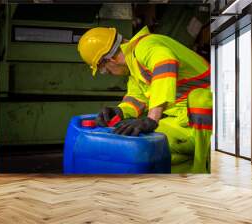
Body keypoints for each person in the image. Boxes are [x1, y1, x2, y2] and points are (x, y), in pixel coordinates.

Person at [77, 26, 212, 173]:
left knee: (200, 98)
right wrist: (118, 111)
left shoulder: (145, 46)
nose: (108, 73)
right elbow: (136, 99)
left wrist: (152, 118)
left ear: (110, 60)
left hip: (213, 118)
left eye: (104, 70)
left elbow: (166, 63)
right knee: (148, 147)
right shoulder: (134, 68)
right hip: (185, 120)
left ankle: (202, 170)